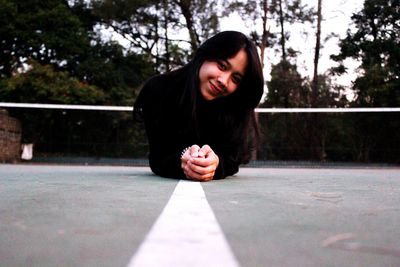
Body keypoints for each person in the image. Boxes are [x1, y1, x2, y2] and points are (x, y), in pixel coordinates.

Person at [134, 31, 264, 181]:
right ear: (205, 55)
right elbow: (158, 158)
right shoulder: (158, 90)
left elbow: (232, 160)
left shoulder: (234, 106)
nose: (223, 80)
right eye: (222, 66)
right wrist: (184, 161)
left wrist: (216, 164)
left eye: (235, 78)